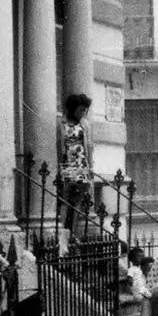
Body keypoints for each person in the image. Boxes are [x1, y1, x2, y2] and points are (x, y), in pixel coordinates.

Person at [59, 93, 96, 235]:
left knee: (78, 202)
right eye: (80, 110)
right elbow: (59, 145)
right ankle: (62, 233)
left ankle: (72, 232)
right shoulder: (62, 123)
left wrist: (90, 166)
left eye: (84, 110)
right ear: (73, 108)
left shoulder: (85, 124)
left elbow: (89, 146)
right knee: (66, 199)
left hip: (81, 164)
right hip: (68, 164)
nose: (83, 113)